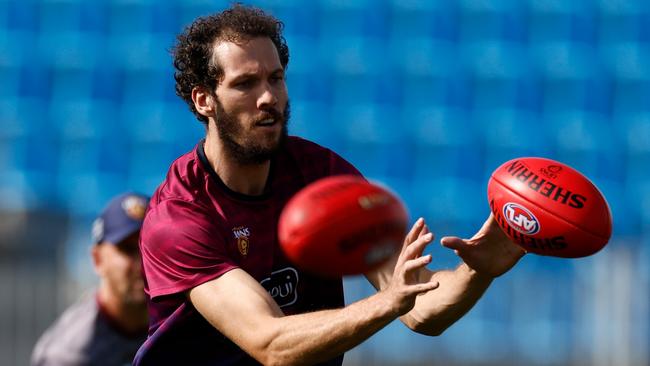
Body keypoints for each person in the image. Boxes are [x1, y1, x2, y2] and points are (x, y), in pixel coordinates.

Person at [134, 4, 526, 366]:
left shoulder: (322, 177)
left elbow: (423, 309)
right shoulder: (179, 216)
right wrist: (388, 302)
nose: (268, 97)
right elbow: (270, 343)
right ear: (204, 100)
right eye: (246, 84)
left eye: (276, 78)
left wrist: (479, 272)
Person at [31, 193, 150, 366]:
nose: (142, 264)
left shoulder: (188, 327)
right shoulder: (67, 355)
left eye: (150, 247)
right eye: (128, 250)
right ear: (97, 259)